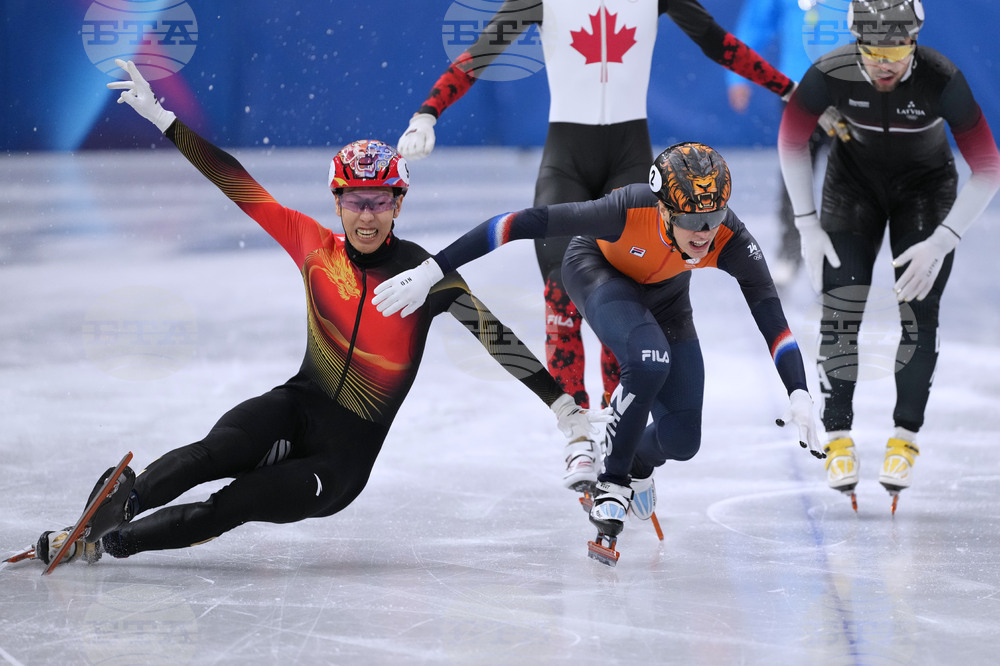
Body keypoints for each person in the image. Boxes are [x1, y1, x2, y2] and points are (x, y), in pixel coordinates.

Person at [32, 59, 608, 567]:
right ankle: (105, 516)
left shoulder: (424, 274)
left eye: (379, 201)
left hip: (341, 462)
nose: (366, 216)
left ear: (398, 204)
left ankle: (113, 543)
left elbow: (493, 335)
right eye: (355, 200)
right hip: (296, 404)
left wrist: (563, 407)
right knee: (213, 453)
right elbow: (237, 182)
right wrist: (166, 121)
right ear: (337, 202)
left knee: (232, 503)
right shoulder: (313, 247)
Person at [397, 0, 799, 489]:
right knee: (560, 292)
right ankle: (576, 433)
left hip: (629, 159)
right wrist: (427, 112)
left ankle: (617, 428)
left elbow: (719, 43)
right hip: (567, 160)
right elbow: (482, 52)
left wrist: (790, 90)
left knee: (627, 292)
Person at [370, 142, 825, 543]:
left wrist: (799, 391)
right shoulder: (625, 210)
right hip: (597, 273)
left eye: (714, 217)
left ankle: (638, 462)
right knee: (649, 360)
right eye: (692, 219)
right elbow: (513, 224)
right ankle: (613, 481)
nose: (704, 233)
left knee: (683, 439)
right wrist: (430, 271)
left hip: (667, 299)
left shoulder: (729, 236)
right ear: (665, 209)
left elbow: (770, 313)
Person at [777, 0, 1000, 511]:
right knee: (840, 308)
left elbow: (989, 167)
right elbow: (791, 141)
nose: (884, 65)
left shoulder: (942, 78)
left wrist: (944, 239)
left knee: (919, 312)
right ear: (855, 43)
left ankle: (905, 438)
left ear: (914, 44)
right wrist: (806, 225)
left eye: (896, 53)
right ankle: (838, 437)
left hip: (925, 192)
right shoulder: (830, 71)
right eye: (873, 52)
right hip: (852, 188)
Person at [725, 0, 850, 286]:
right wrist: (737, 75)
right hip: (799, 87)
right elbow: (756, 22)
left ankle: (846, 255)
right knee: (796, 171)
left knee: (851, 177)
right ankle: (791, 251)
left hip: (855, 86)